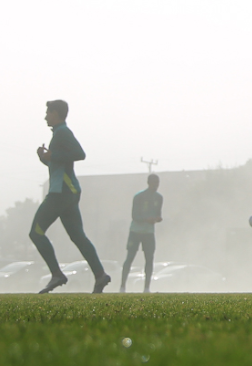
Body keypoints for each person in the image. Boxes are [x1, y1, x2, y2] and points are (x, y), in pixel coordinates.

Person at [30, 100, 111, 294]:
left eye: (48, 113)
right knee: (78, 237)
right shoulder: (58, 133)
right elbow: (60, 164)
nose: (45, 116)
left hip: (61, 193)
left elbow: (79, 154)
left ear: (56, 113)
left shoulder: (63, 132)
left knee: (36, 232)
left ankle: (57, 274)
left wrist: (52, 156)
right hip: (68, 192)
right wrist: (45, 159)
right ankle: (100, 275)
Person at [120, 174, 164, 293]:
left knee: (149, 259)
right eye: (154, 183)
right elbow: (134, 215)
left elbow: (158, 213)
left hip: (149, 233)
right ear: (149, 183)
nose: (156, 186)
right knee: (130, 257)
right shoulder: (139, 196)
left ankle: (146, 288)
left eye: (157, 183)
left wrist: (158, 218)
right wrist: (146, 219)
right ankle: (122, 286)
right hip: (135, 231)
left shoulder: (159, 198)